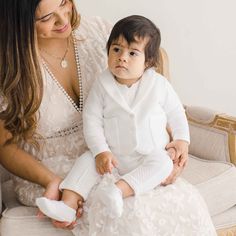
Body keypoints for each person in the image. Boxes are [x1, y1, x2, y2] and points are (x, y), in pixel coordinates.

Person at [0, 0, 216, 235]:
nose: (63, 20)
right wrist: (51, 181)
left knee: (181, 199)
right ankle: (67, 205)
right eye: (46, 18)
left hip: (121, 154)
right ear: (19, 23)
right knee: (125, 209)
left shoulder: (102, 34)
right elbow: (4, 145)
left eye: (64, 3)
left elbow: (155, 103)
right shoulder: (10, 65)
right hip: (54, 167)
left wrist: (174, 148)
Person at [35, 15, 190, 223]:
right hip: (113, 157)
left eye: (133, 53)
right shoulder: (102, 85)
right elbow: (92, 121)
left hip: (149, 154)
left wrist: (181, 140)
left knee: (163, 164)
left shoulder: (159, 85)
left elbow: (176, 113)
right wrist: (101, 151)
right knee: (86, 161)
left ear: (149, 62)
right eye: (116, 49)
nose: (122, 57)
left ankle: (118, 191)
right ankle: (67, 205)